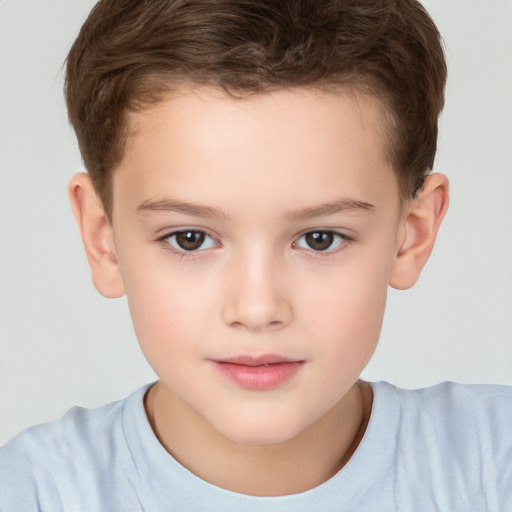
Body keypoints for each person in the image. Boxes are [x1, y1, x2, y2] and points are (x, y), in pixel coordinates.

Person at [0, 0, 510, 510]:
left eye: (320, 239)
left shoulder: (493, 464)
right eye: (190, 239)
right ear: (102, 237)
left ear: (411, 235)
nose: (258, 309)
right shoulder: (32, 492)